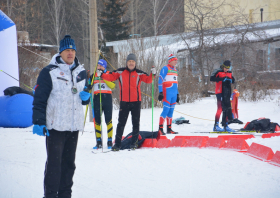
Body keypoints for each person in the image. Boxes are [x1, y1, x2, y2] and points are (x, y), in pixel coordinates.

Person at [32, 35, 90, 198]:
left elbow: (81, 97)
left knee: (69, 165)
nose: (70, 53)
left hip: (73, 127)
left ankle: (65, 195)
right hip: (55, 127)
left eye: (72, 50)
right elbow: (40, 98)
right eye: (67, 50)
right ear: (61, 52)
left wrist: (86, 99)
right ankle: (50, 195)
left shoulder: (81, 72)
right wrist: (39, 121)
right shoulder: (48, 72)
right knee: (54, 166)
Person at [97, 53, 156, 151]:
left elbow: (149, 80)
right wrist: (102, 75)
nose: (131, 63)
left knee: (135, 123)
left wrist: (153, 74)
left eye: (133, 61)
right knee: (121, 124)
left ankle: (134, 143)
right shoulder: (120, 72)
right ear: (127, 62)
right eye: (129, 61)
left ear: (135, 63)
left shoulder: (139, 73)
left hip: (136, 102)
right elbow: (111, 77)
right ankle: (117, 144)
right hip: (124, 102)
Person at [89, 59, 115, 149]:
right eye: (98, 66)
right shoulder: (94, 76)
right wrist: (88, 86)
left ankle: (110, 141)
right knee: (97, 122)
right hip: (97, 100)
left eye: (101, 66)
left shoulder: (109, 74)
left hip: (107, 100)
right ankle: (98, 141)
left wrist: (103, 76)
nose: (99, 68)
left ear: (104, 67)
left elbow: (113, 85)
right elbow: (88, 85)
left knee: (108, 120)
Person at [157, 54, 180, 135]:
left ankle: (169, 129)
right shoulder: (165, 68)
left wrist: (177, 94)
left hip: (174, 93)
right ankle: (160, 129)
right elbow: (160, 80)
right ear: (170, 61)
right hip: (167, 92)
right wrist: (160, 92)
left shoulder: (175, 70)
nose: (176, 62)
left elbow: (176, 83)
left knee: (171, 111)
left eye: (176, 60)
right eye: (175, 60)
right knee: (166, 110)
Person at [210, 60, 235, 132]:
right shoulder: (217, 71)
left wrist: (231, 80)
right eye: (225, 68)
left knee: (226, 108)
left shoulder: (229, 72)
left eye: (228, 68)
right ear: (223, 66)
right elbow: (211, 78)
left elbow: (233, 80)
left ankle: (225, 125)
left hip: (226, 92)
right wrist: (221, 79)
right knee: (220, 108)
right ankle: (216, 126)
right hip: (219, 92)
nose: (226, 70)